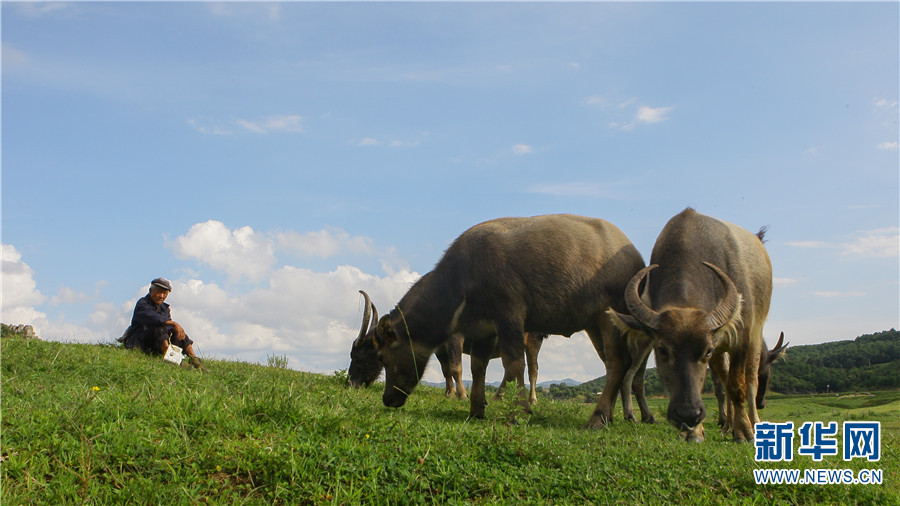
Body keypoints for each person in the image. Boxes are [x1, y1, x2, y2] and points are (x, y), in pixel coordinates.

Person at [124, 277, 206, 371]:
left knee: (177, 331)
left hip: (156, 341)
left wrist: (176, 328)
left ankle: (194, 359)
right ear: (151, 291)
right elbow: (155, 319)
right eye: (159, 292)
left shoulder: (164, 308)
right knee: (160, 328)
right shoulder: (143, 303)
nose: (162, 296)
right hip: (141, 340)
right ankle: (170, 358)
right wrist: (174, 324)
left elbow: (168, 325)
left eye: (165, 293)